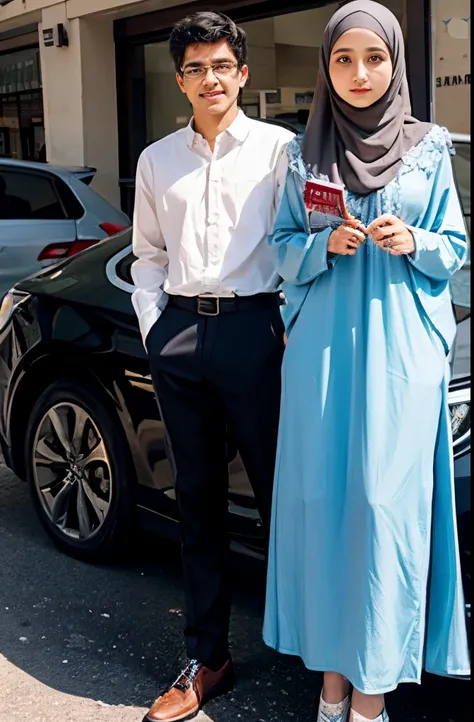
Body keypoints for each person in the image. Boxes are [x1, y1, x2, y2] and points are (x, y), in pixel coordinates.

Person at [263, 2, 470, 721]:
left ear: (395, 63)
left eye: (373, 58)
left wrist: (416, 242)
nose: (358, 73)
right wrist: (324, 247)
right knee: (323, 510)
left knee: (384, 513)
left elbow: (456, 247)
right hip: (322, 356)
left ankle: (370, 696)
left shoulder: (431, 147)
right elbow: (281, 247)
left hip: (400, 357)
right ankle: (329, 688)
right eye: (343, 58)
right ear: (325, 65)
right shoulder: (300, 154)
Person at [131, 11, 294, 722]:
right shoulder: (156, 160)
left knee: (286, 497)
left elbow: (301, 245)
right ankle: (208, 657)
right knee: (196, 502)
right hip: (182, 338)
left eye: (221, 65)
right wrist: (154, 329)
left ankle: (320, 654)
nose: (210, 78)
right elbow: (147, 256)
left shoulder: (282, 150)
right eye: (195, 68)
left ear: (243, 73)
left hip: (259, 334)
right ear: (181, 80)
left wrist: (287, 328)